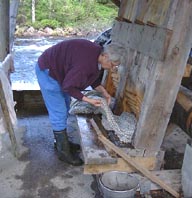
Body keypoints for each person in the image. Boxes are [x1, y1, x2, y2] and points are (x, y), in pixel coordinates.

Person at [35, 38, 125, 166]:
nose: (113, 68)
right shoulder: (86, 64)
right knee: (59, 111)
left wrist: (104, 93)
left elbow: (92, 79)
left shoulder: (97, 55)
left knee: (65, 106)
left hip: (60, 69)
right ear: (105, 56)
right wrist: (89, 100)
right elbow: (68, 87)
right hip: (48, 71)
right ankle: (63, 152)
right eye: (113, 64)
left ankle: (61, 142)